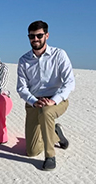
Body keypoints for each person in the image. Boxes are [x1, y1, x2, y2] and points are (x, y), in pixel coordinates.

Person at [17, 20, 75, 171]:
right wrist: (33, 101)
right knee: (32, 151)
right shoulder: (24, 60)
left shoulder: (59, 55)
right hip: (34, 103)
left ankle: (50, 156)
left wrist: (53, 100)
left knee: (46, 112)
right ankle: (55, 133)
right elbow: (21, 88)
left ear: (47, 35)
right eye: (31, 36)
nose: (35, 39)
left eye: (39, 35)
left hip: (57, 100)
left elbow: (69, 83)